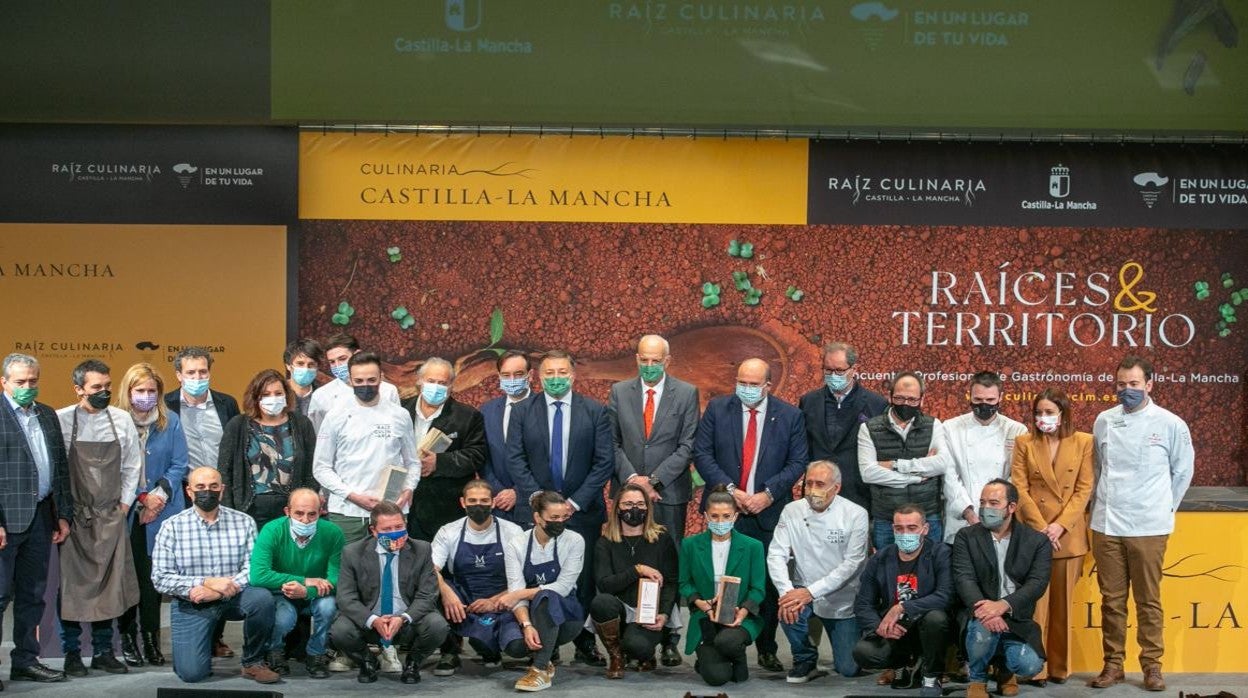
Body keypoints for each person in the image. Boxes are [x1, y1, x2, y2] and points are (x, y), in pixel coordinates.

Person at [691, 357, 808, 673]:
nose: (746, 389)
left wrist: (767, 495)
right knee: (717, 576)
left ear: (768, 385)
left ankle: (767, 648)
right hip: (723, 509)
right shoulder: (718, 409)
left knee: (764, 585)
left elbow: (798, 462)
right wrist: (731, 491)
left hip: (766, 514)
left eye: (753, 384)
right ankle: (717, 642)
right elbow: (702, 453)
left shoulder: (790, 415)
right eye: (741, 382)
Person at [1087, 355, 1194, 692]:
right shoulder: (1104, 420)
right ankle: (1113, 664)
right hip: (1107, 523)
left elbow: (1182, 472)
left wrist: (1163, 509)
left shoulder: (1171, 423)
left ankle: (1152, 665)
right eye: (1121, 384)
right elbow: (1099, 468)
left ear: (1149, 384)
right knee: (1111, 601)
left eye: (1134, 384)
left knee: (1148, 600)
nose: (1127, 390)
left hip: (1150, 524)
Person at [505, 350, 614, 665]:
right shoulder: (523, 411)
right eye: (549, 373)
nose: (556, 378)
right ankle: (544, 644)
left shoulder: (595, 411)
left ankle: (584, 643)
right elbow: (516, 459)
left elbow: (603, 461)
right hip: (536, 514)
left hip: (582, 512)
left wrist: (573, 503)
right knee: (536, 581)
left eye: (562, 372)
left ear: (573, 374)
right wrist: (542, 501)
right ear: (539, 377)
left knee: (582, 581)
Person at [607, 334, 699, 665]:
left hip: (669, 492)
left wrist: (654, 481)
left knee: (667, 563)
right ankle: (634, 634)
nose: (648, 366)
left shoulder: (687, 393)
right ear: (636, 359)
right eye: (643, 360)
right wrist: (634, 482)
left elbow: (688, 445)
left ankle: (669, 637)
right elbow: (612, 442)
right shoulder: (619, 391)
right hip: (626, 492)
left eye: (655, 361)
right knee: (628, 561)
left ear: (667, 361)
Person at [151, 466, 278, 684]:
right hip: (192, 600)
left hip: (234, 596)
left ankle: (253, 662)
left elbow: (253, 569)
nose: (206, 492)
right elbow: (160, 578)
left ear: (222, 490)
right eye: (200, 487)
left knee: (263, 599)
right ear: (189, 491)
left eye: (213, 487)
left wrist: (221, 591)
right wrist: (206, 583)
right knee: (191, 674)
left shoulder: (244, 522)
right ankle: (201, 646)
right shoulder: (171, 526)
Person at [55, 359, 142, 676]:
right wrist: (63, 513)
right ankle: (72, 652)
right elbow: (58, 471)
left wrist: (124, 504)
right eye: (96, 388)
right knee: (71, 588)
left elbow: (132, 465)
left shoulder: (121, 420)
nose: (104, 392)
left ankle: (104, 650)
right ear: (78, 389)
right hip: (76, 517)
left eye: (107, 386)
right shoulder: (62, 420)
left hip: (110, 515)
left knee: (110, 583)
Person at [0, 353, 73, 687]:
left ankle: (26, 660)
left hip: (42, 517)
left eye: (32, 381)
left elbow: (59, 467)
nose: (27, 387)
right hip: (6, 520)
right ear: (4, 382)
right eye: (20, 382)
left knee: (33, 595)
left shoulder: (46, 414)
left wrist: (63, 514)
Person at [1011, 388, 1093, 686]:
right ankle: (1035, 666)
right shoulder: (1024, 443)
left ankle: (1059, 667)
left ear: (1063, 413)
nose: (1043, 418)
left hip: (1068, 538)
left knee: (1063, 608)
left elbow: (1084, 489)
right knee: (1035, 606)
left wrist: (1060, 526)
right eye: (1039, 412)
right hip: (1035, 536)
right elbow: (1019, 488)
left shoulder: (1084, 441)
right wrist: (1042, 527)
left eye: (1049, 412)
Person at [163, 346, 241, 659]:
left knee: (222, 564)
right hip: (183, 494)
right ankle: (192, 633)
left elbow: (237, 449)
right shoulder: (166, 403)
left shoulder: (226, 404)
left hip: (219, 493)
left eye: (203, 372)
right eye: (191, 373)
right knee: (191, 565)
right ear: (179, 375)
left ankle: (217, 637)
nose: (198, 378)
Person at [768, 460, 869, 683]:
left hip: (842, 599)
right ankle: (805, 658)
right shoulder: (791, 510)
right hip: (802, 593)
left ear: (837, 488)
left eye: (820, 484)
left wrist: (811, 592)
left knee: (848, 668)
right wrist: (786, 593)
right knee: (788, 607)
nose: (813, 490)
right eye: (809, 483)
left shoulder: (856, 514)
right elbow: (776, 554)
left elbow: (853, 564)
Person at [117, 362, 188, 668]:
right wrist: (140, 499)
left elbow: (179, 464)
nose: (145, 396)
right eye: (140, 390)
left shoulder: (169, 420)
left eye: (151, 391)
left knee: (151, 580)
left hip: (161, 512)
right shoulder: (115, 421)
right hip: (125, 512)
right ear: (128, 392)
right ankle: (128, 637)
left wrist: (156, 498)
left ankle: (150, 638)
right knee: (126, 578)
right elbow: (111, 469)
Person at [331, 500, 449, 684]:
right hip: (370, 620)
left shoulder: (422, 549)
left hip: (407, 620)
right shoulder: (352, 552)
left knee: (437, 626)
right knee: (340, 630)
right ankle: (368, 662)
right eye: (386, 529)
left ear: (406, 525)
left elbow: (427, 595)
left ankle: (413, 664)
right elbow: (346, 598)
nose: (394, 533)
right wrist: (373, 620)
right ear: (373, 531)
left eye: (399, 526)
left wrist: (403, 617)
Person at [951, 480, 1050, 698]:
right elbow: (964, 578)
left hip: (1017, 619)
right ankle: (977, 679)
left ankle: (1006, 671)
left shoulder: (1037, 541)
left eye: (994, 503)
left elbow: (1037, 583)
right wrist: (988, 611)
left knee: (1030, 666)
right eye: (983, 502)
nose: (986, 508)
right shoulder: (966, 537)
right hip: (980, 615)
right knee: (982, 634)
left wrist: (1003, 605)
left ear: (1011, 507)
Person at [312, 351, 419, 544]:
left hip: (392, 511)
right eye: (359, 381)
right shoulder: (335, 416)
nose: (365, 385)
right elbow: (321, 468)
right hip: (347, 512)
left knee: (391, 566)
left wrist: (409, 488)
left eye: (371, 379)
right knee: (348, 570)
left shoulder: (400, 415)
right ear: (350, 381)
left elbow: (412, 462)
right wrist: (352, 496)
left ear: (381, 378)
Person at [853, 504, 953, 697]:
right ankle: (902, 665)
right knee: (863, 652)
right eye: (899, 528)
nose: (905, 533)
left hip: (930, 628)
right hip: (897, 630)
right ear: (893, 530)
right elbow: (863, 603)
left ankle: (932, 676)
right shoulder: (880, 558)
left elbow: (945, 595)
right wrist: (879, 626)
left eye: (912, 528)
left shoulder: (940, 553)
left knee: (936, 618)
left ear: (925, 529)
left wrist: (902, 607)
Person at [430, 479, 524, 677]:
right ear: (463, 503)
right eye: (472, 501)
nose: (478, 505)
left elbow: (523, 579)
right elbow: (431, 569)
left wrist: (494, 601)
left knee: (517, 647)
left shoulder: (513, 532)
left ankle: (489, 647)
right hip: (463, 600)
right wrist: (447, 594)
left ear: (493, 503)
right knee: (434, 588)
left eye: (484, 501)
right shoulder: (448, 531)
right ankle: (449, 652)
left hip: (501, 599)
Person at [249, 487, 345, 679]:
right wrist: (304, 580)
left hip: (317, 594)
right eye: (299, 513)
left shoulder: (333, 533)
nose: (305, 520)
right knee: (283, 618)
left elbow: (337, 577)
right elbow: (258, 576)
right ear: (287, 512)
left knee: (328, 607)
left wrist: (307, 590)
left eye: (312, 514)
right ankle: (274, 652)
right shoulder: (272, 530)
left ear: (321, 512)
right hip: (281, 593)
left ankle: (316, 654)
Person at [497, 491, 587, 692]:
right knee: (515, 646)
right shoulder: (517, 544)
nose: (560, 522)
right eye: (554, 518)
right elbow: (515, 586)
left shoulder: (575, 540)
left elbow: (563, 587)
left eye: (564, 517)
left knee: (546, 597)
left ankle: (539, 670)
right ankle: (546, 653)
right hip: (528, 612)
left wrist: (519, 594)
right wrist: (527, 624)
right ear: (537, 517)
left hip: (566, 615)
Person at [678, 486, 767, 687]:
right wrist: (702, 604)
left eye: (726, 516)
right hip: (705, 618)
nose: (720, 522)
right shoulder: (689, 545)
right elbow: (684, 583)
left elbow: (758, 588)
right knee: (717, 678)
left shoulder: (753, 546)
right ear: (706, 516)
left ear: (735, 516)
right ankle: (711, 657)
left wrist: (742, 612)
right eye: (715, 516)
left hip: (739, 618)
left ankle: (734, 654)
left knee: (730, 650)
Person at [591, 482, 679, 678]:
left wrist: (664, 614)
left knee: (637, 647)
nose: (634, 509)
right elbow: (604, 584)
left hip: (651, 611)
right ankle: (616, 656)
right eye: (628, 503)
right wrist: (637, 570)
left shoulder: (662, 539)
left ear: (648, 507)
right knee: (601, 602)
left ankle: (643, 652)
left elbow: (672, 582)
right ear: (618, 508)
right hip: (619, 609)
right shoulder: (605, 542)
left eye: (640, 504)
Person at [857, 371, 952, 550]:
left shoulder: (934, 425)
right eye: (900, 398)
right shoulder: (869, 428)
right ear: (890, 396)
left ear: (922, 400)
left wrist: (895, 465)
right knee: (885, 571)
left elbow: (941, 464)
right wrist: (915, 477)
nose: (905, 404)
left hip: (927, 515)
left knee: (930, 569)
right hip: (886, 517)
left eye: (912, 399)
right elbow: (869, 473)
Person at [401, 357, 487, 543]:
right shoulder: (400, 410)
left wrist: (439, 463)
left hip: (443, 509)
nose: (436, 387)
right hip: (401, 505)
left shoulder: (468, 416)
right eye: (431, 381)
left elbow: (476, 455)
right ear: (419, 381)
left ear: (452, 385)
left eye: (443, 383)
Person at [220, 368, 319, 530]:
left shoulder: (302, 424)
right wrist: (229, 512)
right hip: (249, 509)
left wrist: (306, 505)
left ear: (286, 395)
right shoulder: (237, 425)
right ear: (255, 397)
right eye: (265, 395)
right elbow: (224, 471)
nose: (273, 398)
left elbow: (312, 468)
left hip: (293, 511)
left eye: (278, 393)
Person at [798, 341, 888, 512]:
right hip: (817, 492)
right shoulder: (808, 401)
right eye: (828, 370)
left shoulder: (876, 404)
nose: (833, 375)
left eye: (839, 370)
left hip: (858, 492)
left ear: (854, 369)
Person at [942, 371, 1028, 545]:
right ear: (969, 396)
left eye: (990, 400)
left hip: (1002, 520)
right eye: (978, 400)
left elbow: (1016, 476)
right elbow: (949, 475)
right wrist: (970, 514)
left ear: (1000, 397)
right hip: (961, 518)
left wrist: (996, 512)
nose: (984, 405)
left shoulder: (1016, 430)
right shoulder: (950, 427)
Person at [306, 333, 400, 430]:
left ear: (357, 354)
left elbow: (398, 428)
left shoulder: (388, 391)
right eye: (332, 362)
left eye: (342, 359)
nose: (337, 365)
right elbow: (318, 436)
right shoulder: (321, 396)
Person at [479, 350, 531, 522]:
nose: (512, 380)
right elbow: (483, 457)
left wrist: (518, 492)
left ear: (530, 375)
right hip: (498, 505)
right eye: (506, 375)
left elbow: (548, 459)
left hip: (533, 506)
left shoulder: (545, 409)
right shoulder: (487, 410)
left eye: (518, 374)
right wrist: (498, 491)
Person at [284, 338, 325, 416]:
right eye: (300, 363)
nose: (306, 369)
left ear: (317, 368)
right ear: (288, 366)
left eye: (311, 364)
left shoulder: (324, 395)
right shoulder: (278, 393)